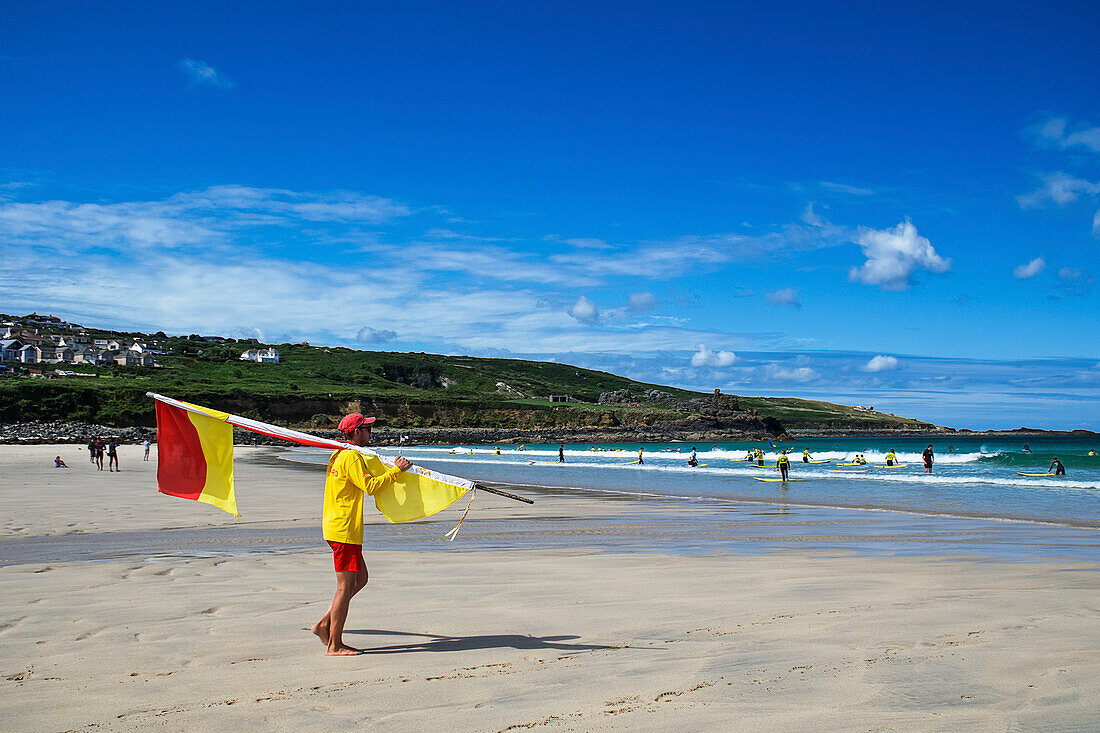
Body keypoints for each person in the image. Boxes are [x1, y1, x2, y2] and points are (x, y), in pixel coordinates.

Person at [311, 412, 411, 656]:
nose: (370, 433)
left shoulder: (339, 453)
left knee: (360, 579)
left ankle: (324, 624)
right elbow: (370, 486)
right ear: (356, 432)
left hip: (339, 527)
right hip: (344, 529)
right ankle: (334, 645)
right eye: (367, 429)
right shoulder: (351, 456)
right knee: (345, 588)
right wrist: (396, 471)